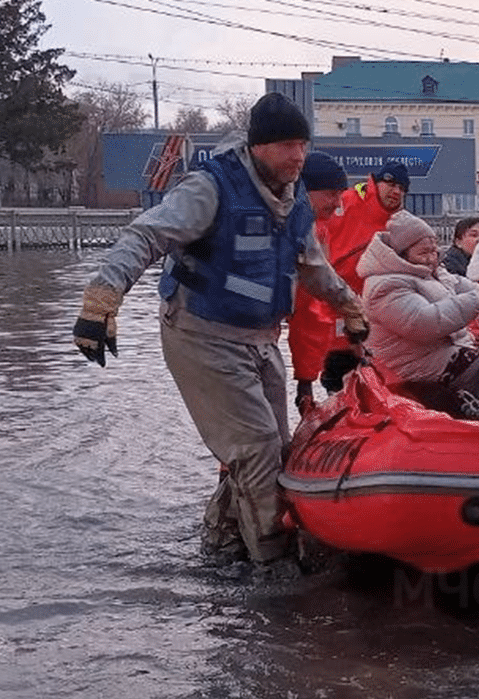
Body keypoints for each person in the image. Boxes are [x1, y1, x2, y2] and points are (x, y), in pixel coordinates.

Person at [69, 91, 368, 566]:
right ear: (258, 146)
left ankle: (223, 546)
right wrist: (102, 299)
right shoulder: (211, 187)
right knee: (257, 449)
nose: (299, 156)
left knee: (277, 449)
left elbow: (314, 267)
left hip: (259, 340)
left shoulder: (294, 203)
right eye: (288, 145)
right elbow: (146, 235)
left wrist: (351, 307)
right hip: (200, 332)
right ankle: (274, 566)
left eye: (303, 145)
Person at [356, 211, 479, 407]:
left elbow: (469, 287)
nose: (431, 259)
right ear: (402, 254)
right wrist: (477, 299)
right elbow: (423, 323)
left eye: (434, 251)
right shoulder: (385, 286)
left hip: (441, 351)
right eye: (423, 253)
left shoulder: (433, 273)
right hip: (413, 364)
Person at [289, 158, 410, 394]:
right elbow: (309, 297)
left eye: (402, 188)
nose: (396, 192)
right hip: (331, 307)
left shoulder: (401, 225)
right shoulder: (342, 207)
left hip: (362, 315)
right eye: (391, 184)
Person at [287, 150, 352, 414]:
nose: (338, 204)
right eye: (331, 194)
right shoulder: (291, 228)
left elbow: (309, 310)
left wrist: (306, 381)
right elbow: (308, 307)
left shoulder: (316, 229)